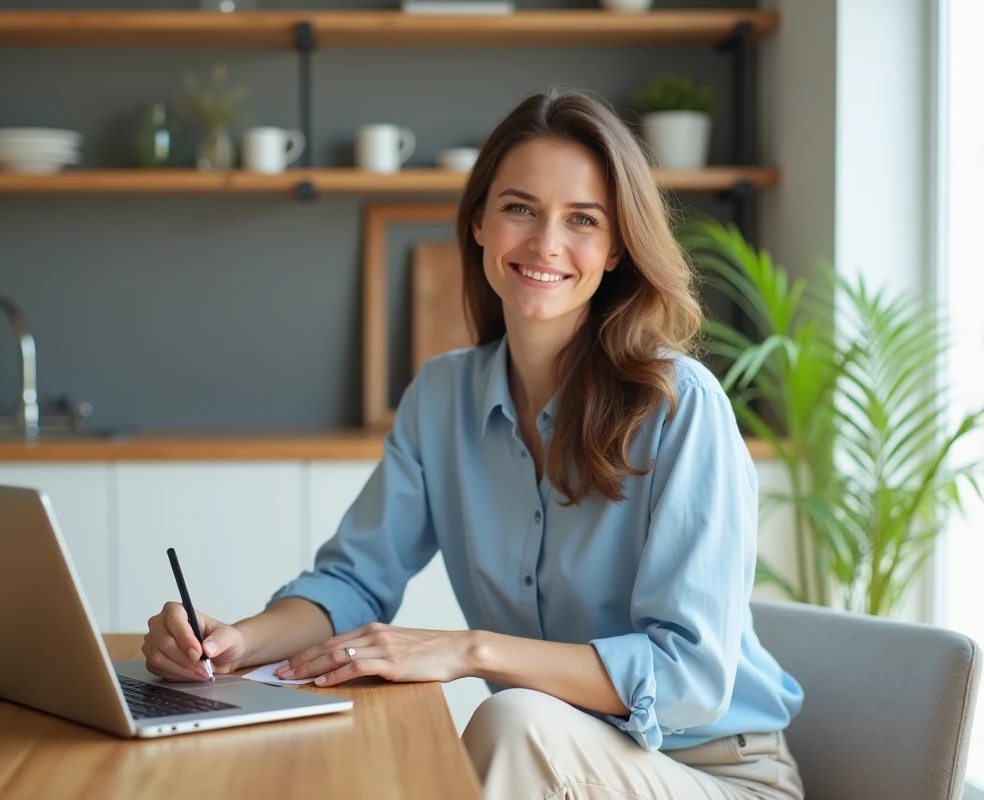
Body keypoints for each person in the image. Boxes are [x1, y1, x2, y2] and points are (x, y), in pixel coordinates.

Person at [142, 88, 805, 800]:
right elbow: (356, 582)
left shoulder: (682, 406)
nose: (546, 243)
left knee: (512, 720)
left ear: (616, 248)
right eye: (520, 207)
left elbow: (689, 680)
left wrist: (466, 651)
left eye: (582, 220)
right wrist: (236, 641)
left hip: (716, 772)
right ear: (480, 222)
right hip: (556, 760)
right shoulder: (441, 397)